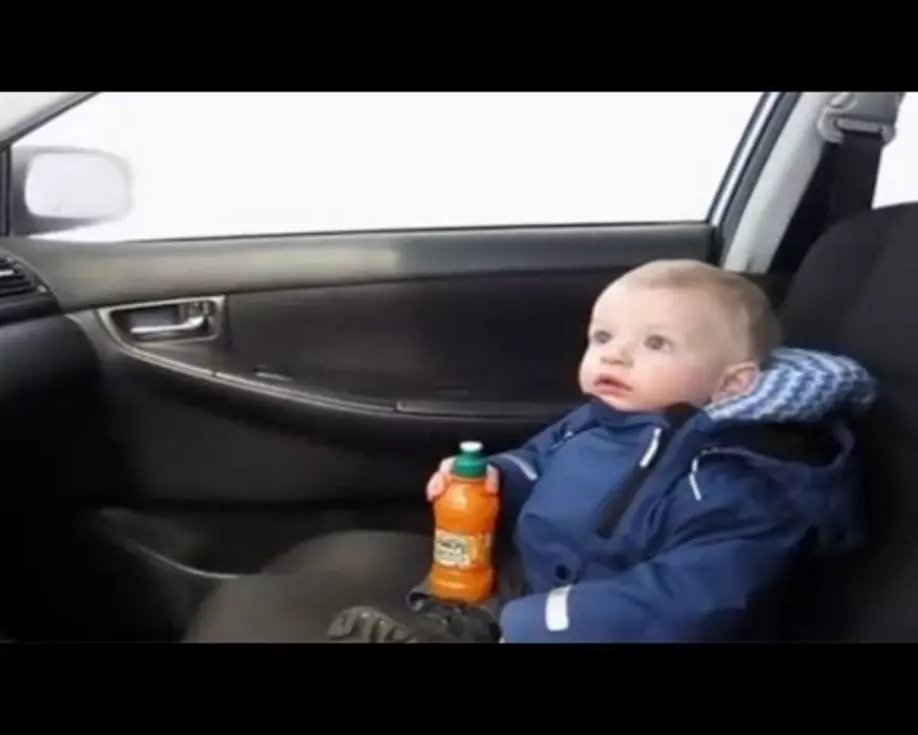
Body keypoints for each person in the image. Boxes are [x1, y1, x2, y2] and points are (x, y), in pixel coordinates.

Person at [323, 258, 877, 643]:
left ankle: (473, 630)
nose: (616, 357)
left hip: (624, 624)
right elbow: (536, 462)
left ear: (732, 383)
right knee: (474, 585)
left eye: (655, 343)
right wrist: (488, 477)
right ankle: (450, 626)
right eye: (603, 337)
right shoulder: (601, 419)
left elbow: (685, 603)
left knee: (523, 619)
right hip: (544, 577)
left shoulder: (745, 481)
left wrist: (537, 624)